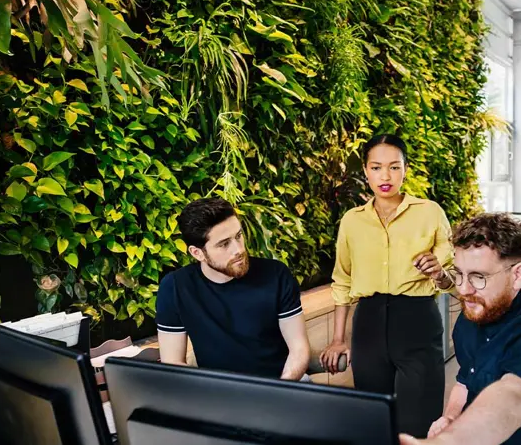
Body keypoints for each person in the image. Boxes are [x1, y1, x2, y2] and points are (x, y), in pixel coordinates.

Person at [400, 213, 521, 445]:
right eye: (459, 274)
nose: (463, 290)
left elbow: (515, 395)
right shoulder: (473, 315)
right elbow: (465, 380)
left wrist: (449, 442)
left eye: (478, 277)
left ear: (517, 275)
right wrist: (450, 418)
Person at [319, 134, 455, 438]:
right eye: (377, 167)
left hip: (417, 322)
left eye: (394, 167)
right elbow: (342, 280)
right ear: (366, 171)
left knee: (418, 424)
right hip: (368, 325)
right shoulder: (352, 221)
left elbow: (452, 278)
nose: (385, 176)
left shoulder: (429, 212)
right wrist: (339, 338)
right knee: (374, 421)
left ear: (405, 169)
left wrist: (439, 273)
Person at [155, 197, 310, 381]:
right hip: (218, 396)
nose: (238, 249)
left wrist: (279, 392)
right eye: (224, 244)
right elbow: (172, 364)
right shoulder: (174, 288)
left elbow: (299, 349)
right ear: (197, 253)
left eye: (238, 236)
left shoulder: (276, 275)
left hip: (282, 384)